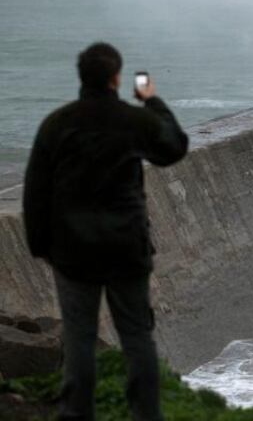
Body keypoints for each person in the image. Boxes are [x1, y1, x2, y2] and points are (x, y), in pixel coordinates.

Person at [22, 42, 188, 421]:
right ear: (117, 77)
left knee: (78, 337)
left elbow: (35, 192)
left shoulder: (57, 124)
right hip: (126, 248)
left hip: (73, 251)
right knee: (136, 338)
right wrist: (153, 101)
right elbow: (174, 147)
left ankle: (76, 414)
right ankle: (147, 415)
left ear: (81, 77)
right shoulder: (133, 120)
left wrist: (40, 246)